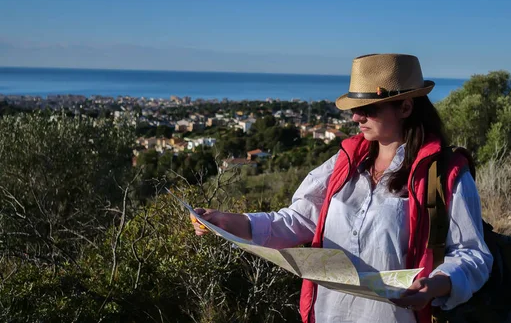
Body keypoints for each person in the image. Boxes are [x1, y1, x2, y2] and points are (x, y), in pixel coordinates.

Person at [191, 53, 492, 323]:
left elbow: (473, 255)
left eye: (368, 108)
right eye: (355, 108)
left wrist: (438, 283)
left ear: (405, 107)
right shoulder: (346, 162)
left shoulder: (444, 174)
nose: (356, 117)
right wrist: (234, 222)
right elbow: (299, 219)